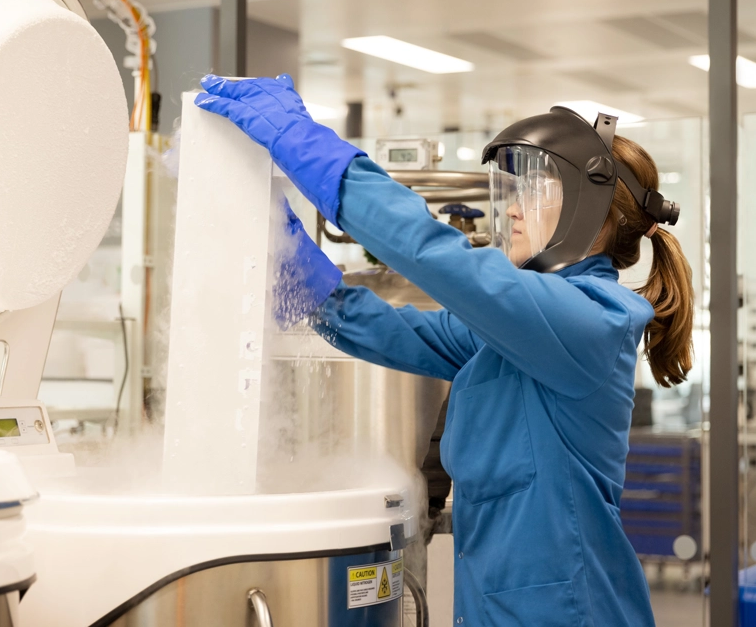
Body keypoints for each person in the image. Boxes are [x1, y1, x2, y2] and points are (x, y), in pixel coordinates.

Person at [196, 74, 693, 627]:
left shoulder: (589, 320)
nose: (515, 210)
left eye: (537, 189)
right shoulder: (518, 331)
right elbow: (393, 332)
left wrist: (305, 145)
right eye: (512, 190)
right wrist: (291, 262)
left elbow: (433, 253)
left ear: (588, 206)